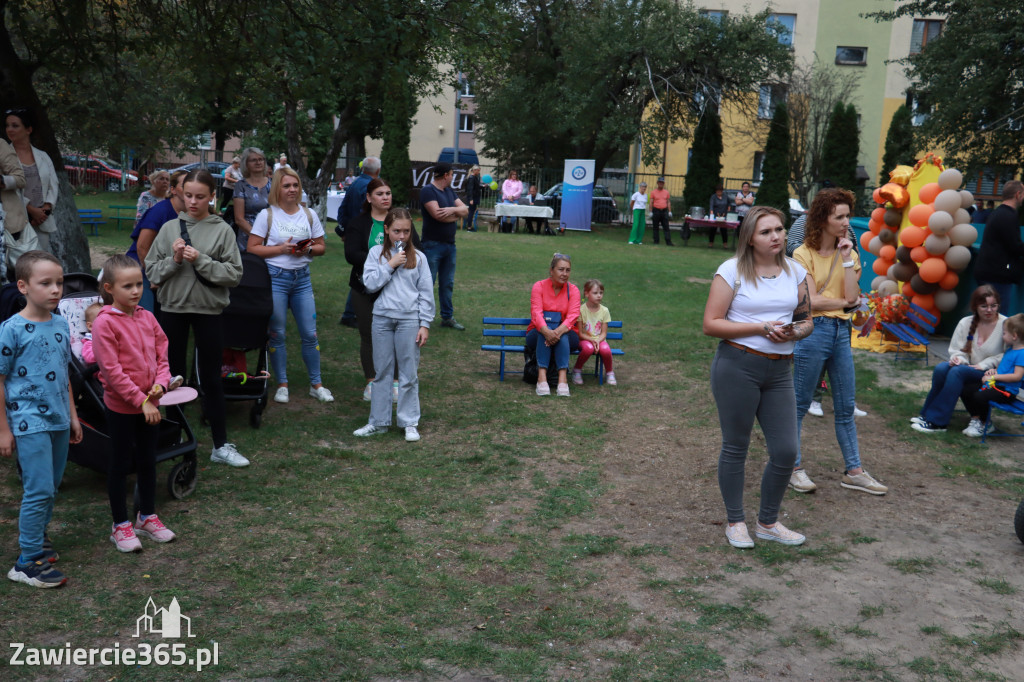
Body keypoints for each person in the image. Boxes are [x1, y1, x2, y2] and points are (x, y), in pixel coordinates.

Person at [703, 206, 814, 548]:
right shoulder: (731, 271)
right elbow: (711, 323)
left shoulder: (795, 271)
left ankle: (768, 521)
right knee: (736, 446)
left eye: (779, 229)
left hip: (780, 370)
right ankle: (735, 521)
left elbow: (807, 319)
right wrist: (761, 327)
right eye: (766, 232)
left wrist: (795, 333)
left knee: (785, 450)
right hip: (737, 365)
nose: (776, 236)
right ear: (750, 238)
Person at [790, 188, 887, 496]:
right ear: (823, 219)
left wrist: (846, 259)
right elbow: (807, 303)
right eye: (840, 217)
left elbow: (852, 297)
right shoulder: (802, 254)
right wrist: (840, 304)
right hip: (813, 331)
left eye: (848, 216)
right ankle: (792, 467)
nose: (847, 222)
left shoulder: (852, 255)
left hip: (841, 334)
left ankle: (854, 471)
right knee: (799, 405)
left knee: (845, 406)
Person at [145, 169, 246, 467]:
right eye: (187, 195)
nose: (192, 202)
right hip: (172, 310)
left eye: (200, 196)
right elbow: (151, 271)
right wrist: (174, 260)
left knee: (212, 378)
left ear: (212, 196)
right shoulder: (168, 229)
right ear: (179, 193)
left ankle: (220, 444)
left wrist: (200, 259)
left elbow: (234, 275)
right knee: (172, 379)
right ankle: (175, 438)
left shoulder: (222, 229)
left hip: (209, 311)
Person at [1, 251, 82, 588]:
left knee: (51, 486)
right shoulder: (11, 329)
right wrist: (3, 429)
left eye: (59, 283)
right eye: (45, 283)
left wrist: (74, 417)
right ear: (23, 286)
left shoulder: (61, 323)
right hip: (28, 421)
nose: (55, 290)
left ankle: (39, 541)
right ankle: (27, 561)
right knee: (39, 489)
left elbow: (64, 375)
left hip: (60, 420)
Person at [92, 255, 177, 552]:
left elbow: (162, 354)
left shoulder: (147, 316)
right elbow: (111, 371)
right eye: (127, 286)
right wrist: (141, 400)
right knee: (119, 464)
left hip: (151, 404)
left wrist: (161, 383)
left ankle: (147, 516)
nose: (135, 290)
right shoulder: (104, 324)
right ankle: (120, 525)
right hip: (124, 407)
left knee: (147, 460)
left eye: (139, 284)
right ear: (109, 288)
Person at [247, 167, 333, 405]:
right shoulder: (268, 215)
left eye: (295, 185)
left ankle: (316, 384)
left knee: (310, 333)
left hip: (302, 279)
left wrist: (307, 249)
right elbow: (253, 248)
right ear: (278, 189)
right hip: (276, 279)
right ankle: (282, 384)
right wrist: (280, 250)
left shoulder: (309, 214)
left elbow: (321, 247)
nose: (292, 190)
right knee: (277, 334)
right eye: (287, 186)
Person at [353, 208, 434, 443]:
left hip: (409, 319)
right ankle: (378, 422)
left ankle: (409, 422)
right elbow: (369, 284)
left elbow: (426, 293)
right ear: (386, 230)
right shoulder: (376, 253)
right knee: (382, 372)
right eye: (396, 231)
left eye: (406, 231)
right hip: (382, 319)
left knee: (409, 373)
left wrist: (425, 323)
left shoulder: (419, 257)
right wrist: (390, 265)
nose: (401, 236)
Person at [911, 285, 1006, 435]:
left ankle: (937, 422)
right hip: (968, 367)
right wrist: (958, 359)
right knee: (942, 368)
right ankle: (926, 414)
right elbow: (956, 349)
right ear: (975, 306)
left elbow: (1007, 355)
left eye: (993, 306)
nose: (989, 310)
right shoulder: (965, 323)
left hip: (993, 371)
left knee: (957, 373)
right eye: (984, 306)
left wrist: (983, 365)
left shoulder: (1005, 324)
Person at [346, 177, 393, 400]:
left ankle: (394, 382)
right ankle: (371, 382)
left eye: (388, 193)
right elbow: (352, 254)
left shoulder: (401, 221)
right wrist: (384, 261)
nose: (385, 197)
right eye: (380, 194)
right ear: (369, 198)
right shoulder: (358, 223)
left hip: (394, 289)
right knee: (369, 335)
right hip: (364, 287)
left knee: (395, 334)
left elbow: (415, 249)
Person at [127, 170, 186, 313]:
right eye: (184, 185)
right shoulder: (160, 211)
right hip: (142, 269)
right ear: (173, 190)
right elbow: (142, 247)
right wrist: (153, 276)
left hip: (165, 269)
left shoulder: (190, 214)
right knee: (146, 316)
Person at [419, 163, 468, 330]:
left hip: (449, 246)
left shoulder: (449, 192)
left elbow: (465, 210)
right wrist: (456, 215)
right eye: (452, 174)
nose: (452, 177)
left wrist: (450, 209)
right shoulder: (428, 191)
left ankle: (447, 317)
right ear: (446, 175)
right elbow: (438, 215)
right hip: (432, 245)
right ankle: (421, 317)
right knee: (427, 282)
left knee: (447, 283)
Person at [5, 109, 58, 254]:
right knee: (19, 264)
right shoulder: (4, 158)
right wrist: (31, 210)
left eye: (15, 125)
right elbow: (8, 187)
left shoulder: (43, 156)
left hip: (41, 221)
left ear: (28, 129)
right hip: (16, 221)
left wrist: (45, 211)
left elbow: (53, 185)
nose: (10, 129)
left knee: (39, 262)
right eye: (7, 125)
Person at [527, 253, 581, 397]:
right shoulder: (538, 286)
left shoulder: (574, 290)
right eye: (561, 269)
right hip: (538, 333)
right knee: (542, 332)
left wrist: (556, 332)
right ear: (551, 270)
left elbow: (573, 317)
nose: (564, 274)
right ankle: (542, 378)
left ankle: (562, 380)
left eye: (567, 270)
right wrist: (547, 331)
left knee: (562, 335)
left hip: (568, 334)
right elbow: (536, 314)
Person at [962, 314, 1024, 436]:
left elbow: (1017, 376)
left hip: (1007, 391)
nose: (1002, 336)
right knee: (966, 389)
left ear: (1014, 336)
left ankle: (985, 424)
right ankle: (977, 419)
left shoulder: (1022, 354)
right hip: (997, 385)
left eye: (1004, 333)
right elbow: (1005, 369)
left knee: (980, 396)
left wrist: (993, 377)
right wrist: (994, 371)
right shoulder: (1011, 350)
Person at [337, 157, 381, 327]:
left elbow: (343, 208)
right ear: (377, 171)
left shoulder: (354, 183)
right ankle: (350, 314)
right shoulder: (370, 187)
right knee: (363, 276)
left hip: (354, 234)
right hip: (364, 236)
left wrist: (344, 230)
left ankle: (350, 313)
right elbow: (368, 212)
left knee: (361, 274)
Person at [973, 180, 1024, 309]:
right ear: (1018, 194)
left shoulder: (997, 213)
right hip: (997, 276)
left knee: (986, 316)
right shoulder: (1008, 216)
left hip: (987, 271)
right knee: (997, 319)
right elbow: (1015, 247)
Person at [572, 279, 616, 386]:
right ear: (587, 294)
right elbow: (581, 334)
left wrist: (597, 341)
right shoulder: (581, 310)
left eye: (601, 293)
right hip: (585, 340)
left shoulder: (604, 311)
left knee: (605, 349)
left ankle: (610, 372)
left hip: (599, 340)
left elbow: (603, 333)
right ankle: (577, 370)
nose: (599, 296)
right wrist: (592, 340)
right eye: (595, 293)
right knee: (588, 348)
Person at [232, 147, 272, 252]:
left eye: (261, 159)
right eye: (253, 160)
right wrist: (258, 236)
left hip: (272, 238)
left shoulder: (274, 184)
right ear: (246, 164)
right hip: (248, 238)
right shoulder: (241, 186)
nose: (258, 162)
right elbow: (239, 219)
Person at [0, 136, 26, 276]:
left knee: (11, 277)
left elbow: (20, 178)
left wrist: (2, 180)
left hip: (5, 226)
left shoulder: (0, 145)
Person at [650, 177, 673, 246]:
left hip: (664, 211)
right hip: (656, 210)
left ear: (663, 184)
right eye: (660, 182)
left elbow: (668, 202)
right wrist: (651, 211)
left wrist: (669, 211)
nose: (661, 184)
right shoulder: (653, 192)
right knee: (655, 226)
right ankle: (656, 241)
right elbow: (651, 202)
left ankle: (668, 241)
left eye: (662, 183)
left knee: (666, 227)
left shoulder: (666, 192)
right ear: (657, 183)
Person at [463, 165, 481, 231]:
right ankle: (469, 227)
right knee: (471, 212)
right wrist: (471, 199)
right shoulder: (471, 178)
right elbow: (470, 189)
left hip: (475, 197)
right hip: (472, 198)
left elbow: (476, 187)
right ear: (474, 170)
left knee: (472, 212)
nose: (479, 172)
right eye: (478, 171)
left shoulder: (475, 177)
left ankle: (470, 226)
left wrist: (482, 186)